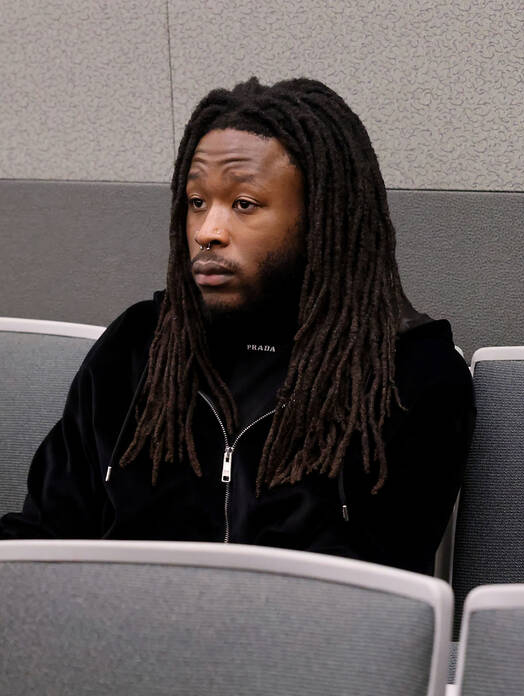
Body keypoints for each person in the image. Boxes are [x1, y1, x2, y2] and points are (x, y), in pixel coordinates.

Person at [1, 78, 475, 575]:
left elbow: (386, 598)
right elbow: (41, 537)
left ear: (320, 216)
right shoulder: (139, 346)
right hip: (113, 621)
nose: (208, 231)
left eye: (244, 204)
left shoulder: (408, 375)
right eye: (197, 202)